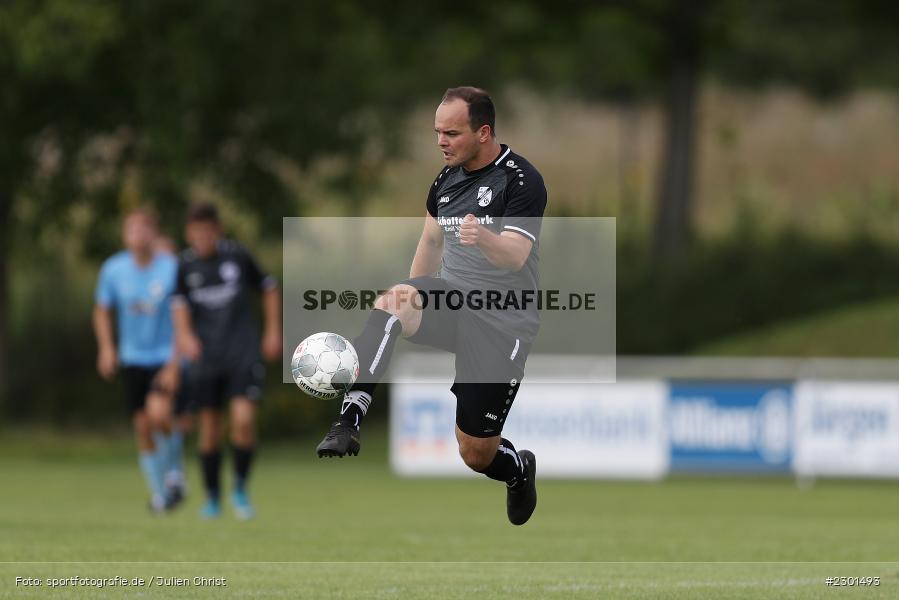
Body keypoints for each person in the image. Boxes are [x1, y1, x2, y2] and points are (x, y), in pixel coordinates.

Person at [316, 86, 547, 526]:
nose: (442, 141)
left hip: (503, 322)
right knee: (393, 300)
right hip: (454, 302)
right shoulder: (445, 180)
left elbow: (516, 255)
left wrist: (486, 238)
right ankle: (350, 417)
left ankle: (518, 470)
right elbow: (431, 240)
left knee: (475, 452)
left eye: (452, 133)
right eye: (438, 132)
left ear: (483, 132)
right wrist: (411, 294)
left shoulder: (520, 179)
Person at [172, 203, 281, 519]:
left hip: (242, 354)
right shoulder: (185, 265)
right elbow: (178, 305)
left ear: (217, 230)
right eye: (196, 232)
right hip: (206, 359)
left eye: (208, 231)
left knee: (244, 422)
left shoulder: (237, 256)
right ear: (188, 234)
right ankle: (212, 498)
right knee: (209, 430)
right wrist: (185, 337)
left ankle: (241, 490)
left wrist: (273, 332)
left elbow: (269, 287)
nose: (202, 237)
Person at [93, 208, 183, 513]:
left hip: (164, 356)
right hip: (132, 358)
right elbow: (102, 309)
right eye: (132, 229)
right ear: (124, 235)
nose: (138, 235)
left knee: (160, 415)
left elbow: (184, 315)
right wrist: (107, 348)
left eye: (145, 229)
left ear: (154, 234)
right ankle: (161, 496)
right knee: (143, 427)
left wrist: (175, 362)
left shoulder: (171, 268)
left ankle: (174, 474)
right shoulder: (113, 269)